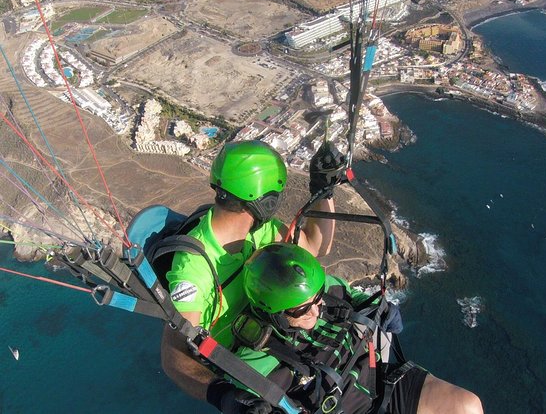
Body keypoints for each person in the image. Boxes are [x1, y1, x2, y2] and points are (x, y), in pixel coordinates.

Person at [206, 243, 484, 414]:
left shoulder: (323, 291)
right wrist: (235, 402)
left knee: (467, 406)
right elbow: (230, 392)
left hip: (381, 383)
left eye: (316, 299)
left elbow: (355, 296)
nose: (316, 310)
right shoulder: (261, 360)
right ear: (272, 313)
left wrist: (383, 309)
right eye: (302, 309)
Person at [161, 140, 341, 400]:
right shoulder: (193, 267)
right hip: (245, 360)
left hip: (274, 330)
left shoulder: (260, 231)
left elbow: (314, 245)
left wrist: (323, 191)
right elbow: (173, 354)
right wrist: (227, 397)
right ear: (264, 201)